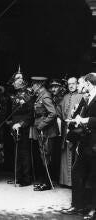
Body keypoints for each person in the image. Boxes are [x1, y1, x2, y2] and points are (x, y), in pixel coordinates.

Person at [62, 73, 96, 219]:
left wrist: (85, 120)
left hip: (94, 144)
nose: (79, 86)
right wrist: (75, 121)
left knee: (94, 177)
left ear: (88, 83)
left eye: (81, 83)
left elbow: (90, 119)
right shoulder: (86, 98)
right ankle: (78, 205)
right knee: (77, 173)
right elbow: (77, 115)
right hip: (84, 143)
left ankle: (93, 209)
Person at [30, 76, 59, 191]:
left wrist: (42, 125)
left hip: (46, 131)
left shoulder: (45, 96)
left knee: (46, 156)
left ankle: (48, 183)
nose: (32, 87)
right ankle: (45, 181)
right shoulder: (40, 95)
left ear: (39, 85)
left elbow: (53, 113)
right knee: (43, 156)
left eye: (33, 85)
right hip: (41, 130)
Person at [8, 72, 34, 186]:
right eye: (17, 79)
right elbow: (14, 114)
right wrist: (12, 125)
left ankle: (26, 179)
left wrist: (21, 124)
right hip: (15, 127)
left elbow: (30, 114)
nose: (19, 81)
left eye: (21, 78)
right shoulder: (15, 93)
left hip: (24, 127)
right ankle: (17, 177)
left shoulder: (28, 93)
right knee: (17, 152)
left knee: (24, 152)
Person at [56, 77, 82, 187]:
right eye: (69, 84)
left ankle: (74, 183)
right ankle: (66, 181)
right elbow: (59, 113)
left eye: (73, 83)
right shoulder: (65, 97)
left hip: (77, 129)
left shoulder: (81, 96)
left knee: (76, 154)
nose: (71, 86)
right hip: (65, 129)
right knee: (65, 153)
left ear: (77, 84)